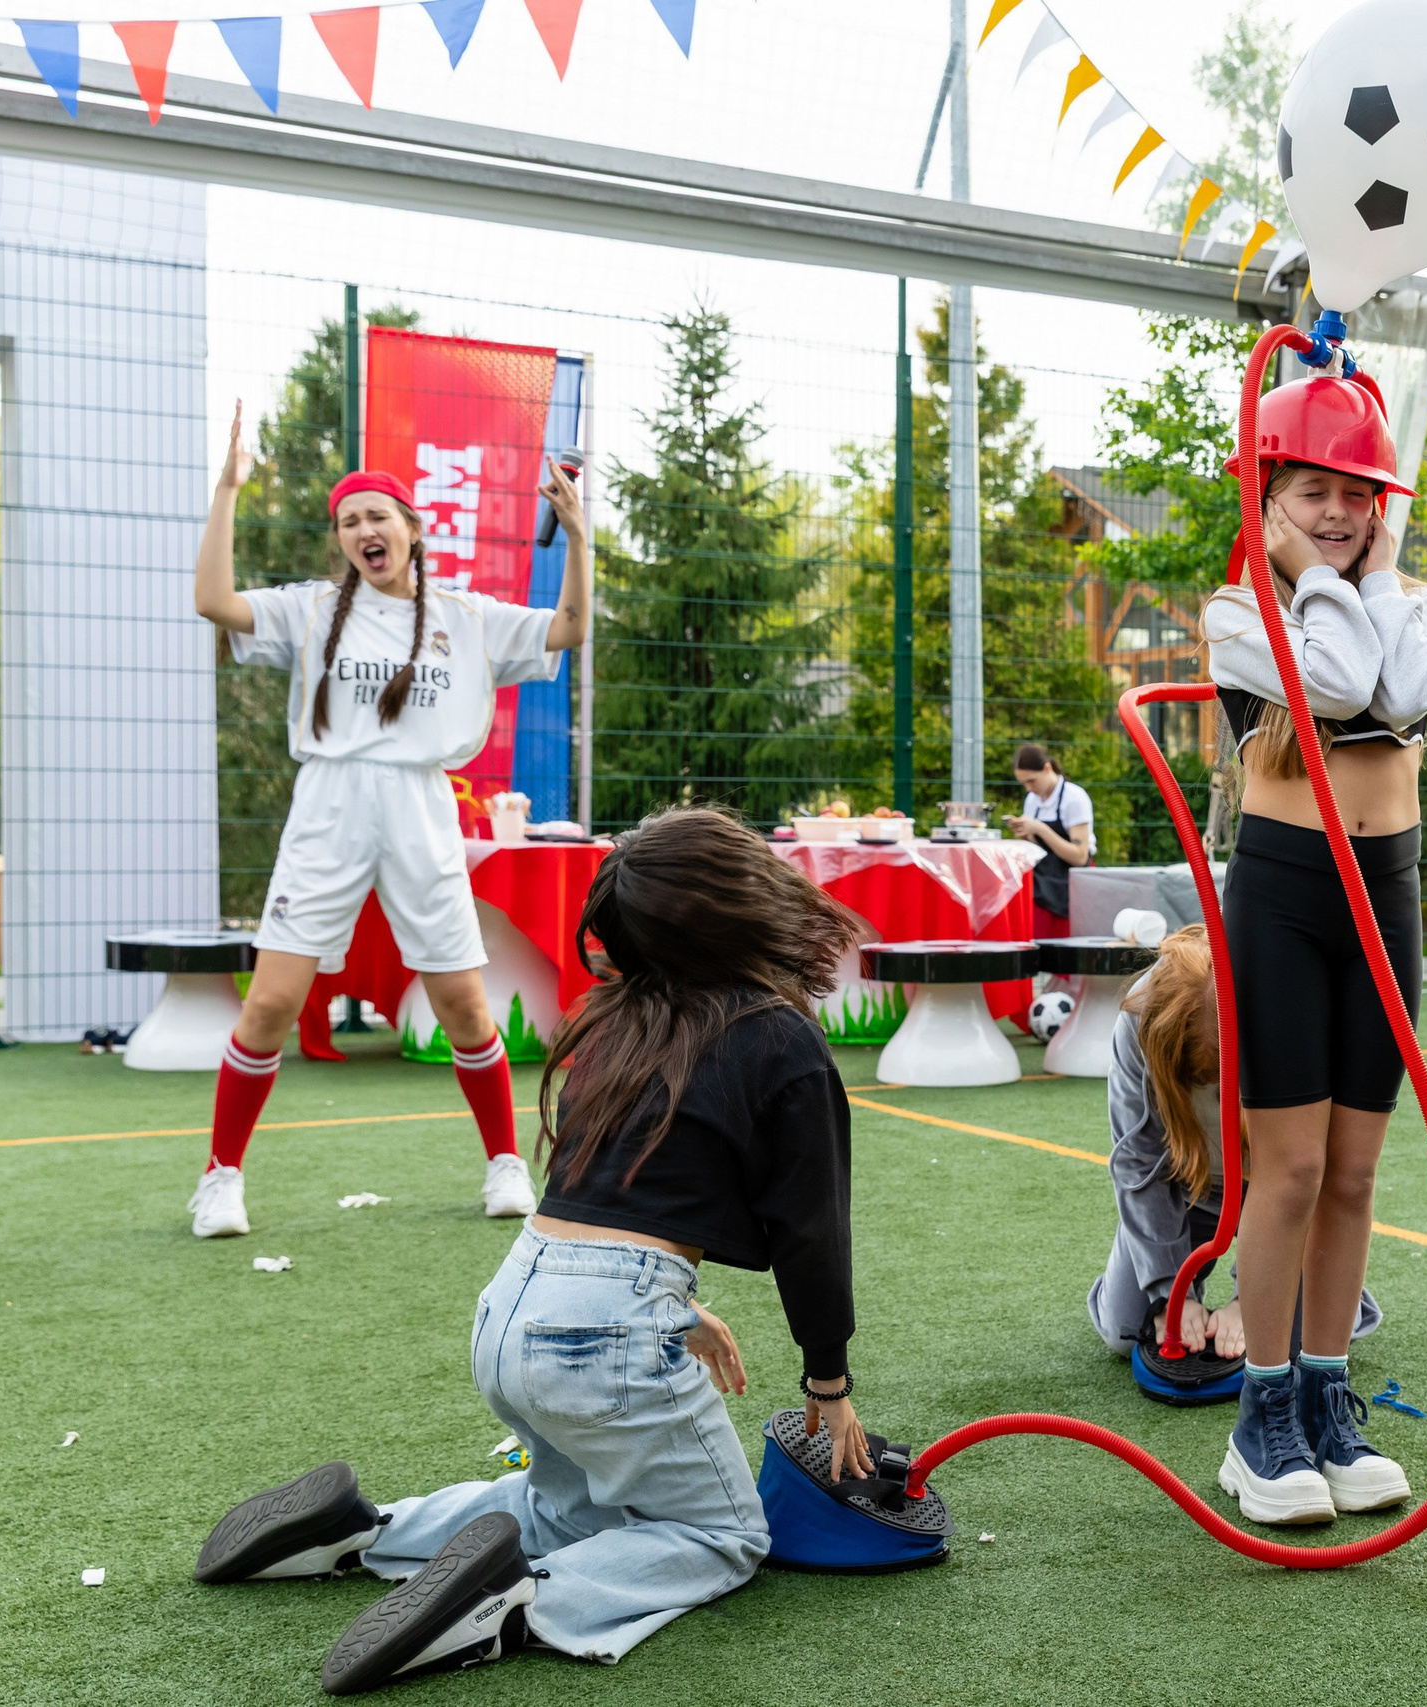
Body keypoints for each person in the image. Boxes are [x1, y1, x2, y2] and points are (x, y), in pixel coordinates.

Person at [191, 808, 876, 1694]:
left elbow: (615, 1194)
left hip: (513, 1302)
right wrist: (830, 1383)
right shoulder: (781, 1037)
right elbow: (810, 1230)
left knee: (568, 1509)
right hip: (608, 1331)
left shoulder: (613, 1019)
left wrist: (676, 1307)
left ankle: (363, 1527)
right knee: (724, 1536)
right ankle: (518, 1600)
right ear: (747, 898)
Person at [187, 404, 591, 1238]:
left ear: (411, 526)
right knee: (269, 1003)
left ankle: (505, 1164)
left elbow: (571, 626)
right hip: (328, 803)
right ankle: (220, 1177)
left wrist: (577, 535)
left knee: (466, 1009)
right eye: (347, 522)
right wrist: (226, 490)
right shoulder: (308, 609)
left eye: (376, 516)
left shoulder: (467, 616)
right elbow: (214, 600)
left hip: (420, 806)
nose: (361, 531)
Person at [1203, 369, 1427, 1525]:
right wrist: (1302, 570)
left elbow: (1397, 681)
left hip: (1387, 895)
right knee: (1293, 1168)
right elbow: (1343, 684)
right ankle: (1260, 1418)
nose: (1341, 514)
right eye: (1313, 491)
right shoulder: (1234, 613)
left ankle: (1322, 1393)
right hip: (1288, 895)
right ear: (1266, 494)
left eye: (1359, 494)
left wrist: (1370, 569)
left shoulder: (1415, 601)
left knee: (1357, 1171)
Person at [1088, 926, 1380, 1373]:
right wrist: (1171, 1291)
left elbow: (1314, 1170)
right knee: (1125, 1330)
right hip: (1188, 1184)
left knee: (1299, 1339)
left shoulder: (1291, 1011)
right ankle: (1152, 1278)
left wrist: (1252, 1300)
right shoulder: (1139, 1019)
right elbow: (1138, 1161)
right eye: (1199, 1082)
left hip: (1284, 1192)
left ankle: (1336, 1286)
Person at [1005, 741, 1095, 939]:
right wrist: (1026, 835)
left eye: (1032, 781)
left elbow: (1080, 857)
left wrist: (1040, 829)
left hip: (1068, 878)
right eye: (1024, 783)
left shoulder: (1074, 798)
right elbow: (1038, 851)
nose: (1029, 788)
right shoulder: (1033, 800)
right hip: (1044, 875)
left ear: (1047, 769)